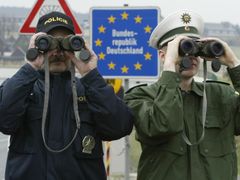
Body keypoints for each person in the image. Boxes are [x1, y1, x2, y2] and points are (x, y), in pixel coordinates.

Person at [0, 11, 134, 180]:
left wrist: (90, 74)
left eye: (64, 43)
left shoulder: (91, 90)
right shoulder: (22, 88)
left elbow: (120, 127)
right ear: (37, 45)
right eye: (49, 43)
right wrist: (30, 67)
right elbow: (4, 121)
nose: (57, 52)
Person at [124, 10, 240, 180]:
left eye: (195, 48)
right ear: (163, 56)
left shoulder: (221, 95)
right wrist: (170, 65)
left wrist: (233, 63)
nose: (190, 55)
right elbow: (161, 125)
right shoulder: (140, 97)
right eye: (183, 47)